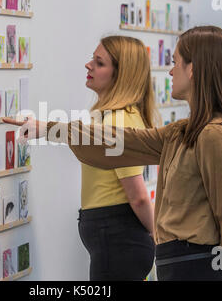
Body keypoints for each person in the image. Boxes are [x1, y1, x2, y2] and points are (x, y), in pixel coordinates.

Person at [4, 26, 222, 281]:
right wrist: (46, 129)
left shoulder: (214, 135)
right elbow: (116, 142)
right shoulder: (181, 133)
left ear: (194, 69)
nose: (170, 70)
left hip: (199, 267)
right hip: (179, 265)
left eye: (175, 62)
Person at [12, 36, 156, 281]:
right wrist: (42, 127)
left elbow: (138, 196)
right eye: (93, 59)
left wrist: (159, 235)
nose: (88, 65)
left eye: (99, 63)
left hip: (120, 238)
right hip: (115, 236)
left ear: (120, 75)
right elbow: (81, 135)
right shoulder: (108, 118)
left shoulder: (119, 120)